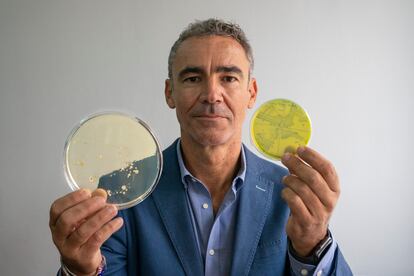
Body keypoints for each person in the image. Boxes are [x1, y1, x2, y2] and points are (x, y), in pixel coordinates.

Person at [49, 18, 352, 276]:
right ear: (170, 93)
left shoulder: (291, 192)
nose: (211, 94)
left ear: (251, 92)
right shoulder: (119, 191)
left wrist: (313, 246)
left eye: (229, 77)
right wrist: (81, 270)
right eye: (193, 78)